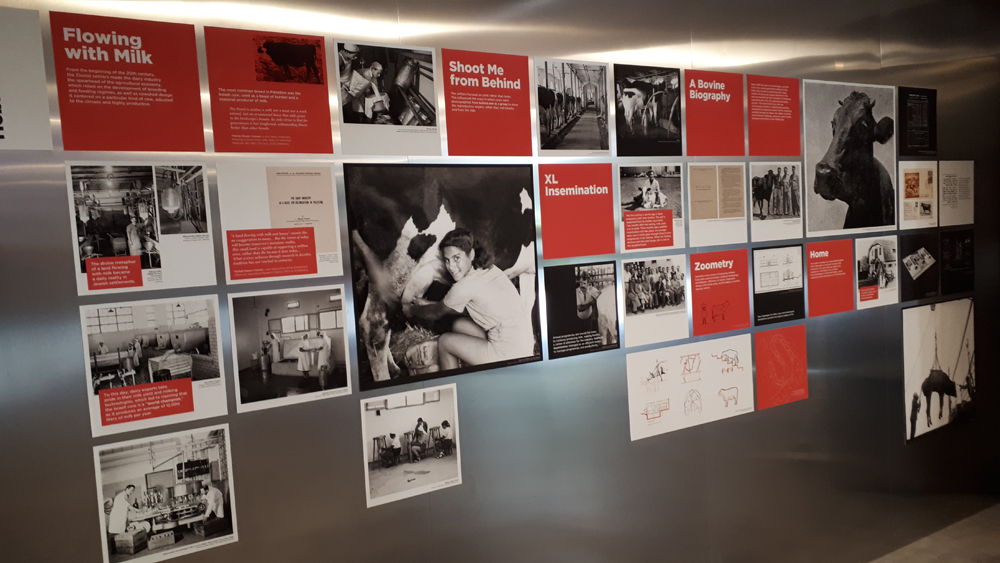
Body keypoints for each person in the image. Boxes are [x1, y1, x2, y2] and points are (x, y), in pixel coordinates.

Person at [407, 229, 534, 370]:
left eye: (456, 258)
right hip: (524, 344)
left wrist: (411, 309)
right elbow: (463, 308)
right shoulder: (489, 269)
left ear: (471, 254)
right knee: (459, 325)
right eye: (447, 260)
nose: (451, 267)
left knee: (445, 342)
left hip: (509, 352)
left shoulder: (463, 286)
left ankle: (456, 381)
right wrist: (429, 303)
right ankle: (474, 371)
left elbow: (435, 313)